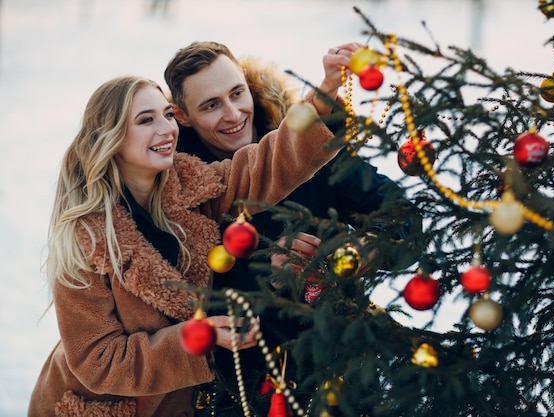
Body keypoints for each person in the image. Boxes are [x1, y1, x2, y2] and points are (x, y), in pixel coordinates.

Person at [28, 48, 346, 417]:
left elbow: (264, 165)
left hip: (175, 405)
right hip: (98, 406)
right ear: (111, 137)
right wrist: (198, 339)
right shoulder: (86, 236)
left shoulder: (188, 184)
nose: (166, 129)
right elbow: (98, 360)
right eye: (146, 120)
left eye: (166, 115)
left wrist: (324, 95)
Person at [163, 41, 421, 415]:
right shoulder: (174, 184)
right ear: (182, 116)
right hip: (234, 389)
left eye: (237, 94)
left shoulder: (308, 145)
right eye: (211, 105)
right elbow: (178, 294)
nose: (234, 114)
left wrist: (361, 248)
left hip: (335, 368)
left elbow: (402, 214)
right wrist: (267, 273)